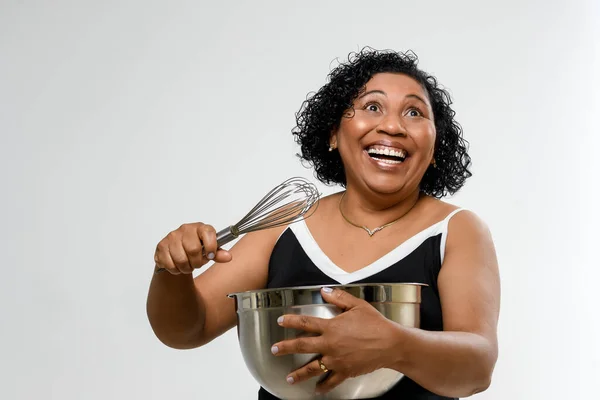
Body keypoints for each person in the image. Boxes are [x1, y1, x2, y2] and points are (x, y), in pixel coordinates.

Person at [146, 48, 501, 400]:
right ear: (333, 133)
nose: (392, 126)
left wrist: (394, 345)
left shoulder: (456, 230)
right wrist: (171, 272)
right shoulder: (284, 225)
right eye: (372, 106)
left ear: (436, 146)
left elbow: (477, 367)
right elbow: (187, 331)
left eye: (414, 112)